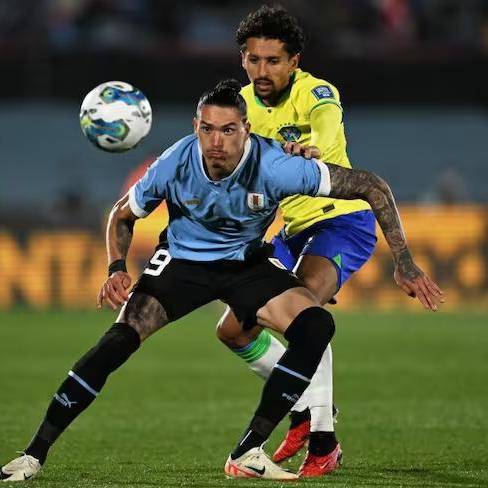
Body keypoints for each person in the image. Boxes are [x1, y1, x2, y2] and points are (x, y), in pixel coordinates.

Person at [0, 80, 443, 482]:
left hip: (246, 265)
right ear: (196, 127)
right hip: (182, 264)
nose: (217, 141)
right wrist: (116, 267)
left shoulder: (277, 165)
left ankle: (249, 450)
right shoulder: (174, 161)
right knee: (117, 342)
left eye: (228, 130)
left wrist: (404, 261)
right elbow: (122, 214)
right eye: (208, 129)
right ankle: (33, 454)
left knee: (316, 325)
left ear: (246, 129)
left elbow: (371, 186)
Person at [215, 5, 373, 476]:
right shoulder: (241, 107)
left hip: (341, 221)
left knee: (305, 316)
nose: (262, 70)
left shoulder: (317, 92)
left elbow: (324, 127)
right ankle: (304, 405)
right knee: (232, 329)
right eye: (254, 60)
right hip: (290, 230)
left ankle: (323, 441)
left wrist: (312, 148)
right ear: (243, 59)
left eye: (273, 61)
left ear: (294, 61)